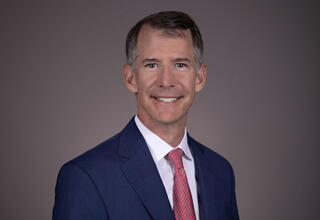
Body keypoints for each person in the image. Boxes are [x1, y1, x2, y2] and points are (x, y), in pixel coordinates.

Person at [53, 11, 239, 220]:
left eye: (180, 65)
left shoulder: (221, 172)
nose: (166, 81)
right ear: (131, 78)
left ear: (200, 77)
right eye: (152, 65)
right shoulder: (85, 177)